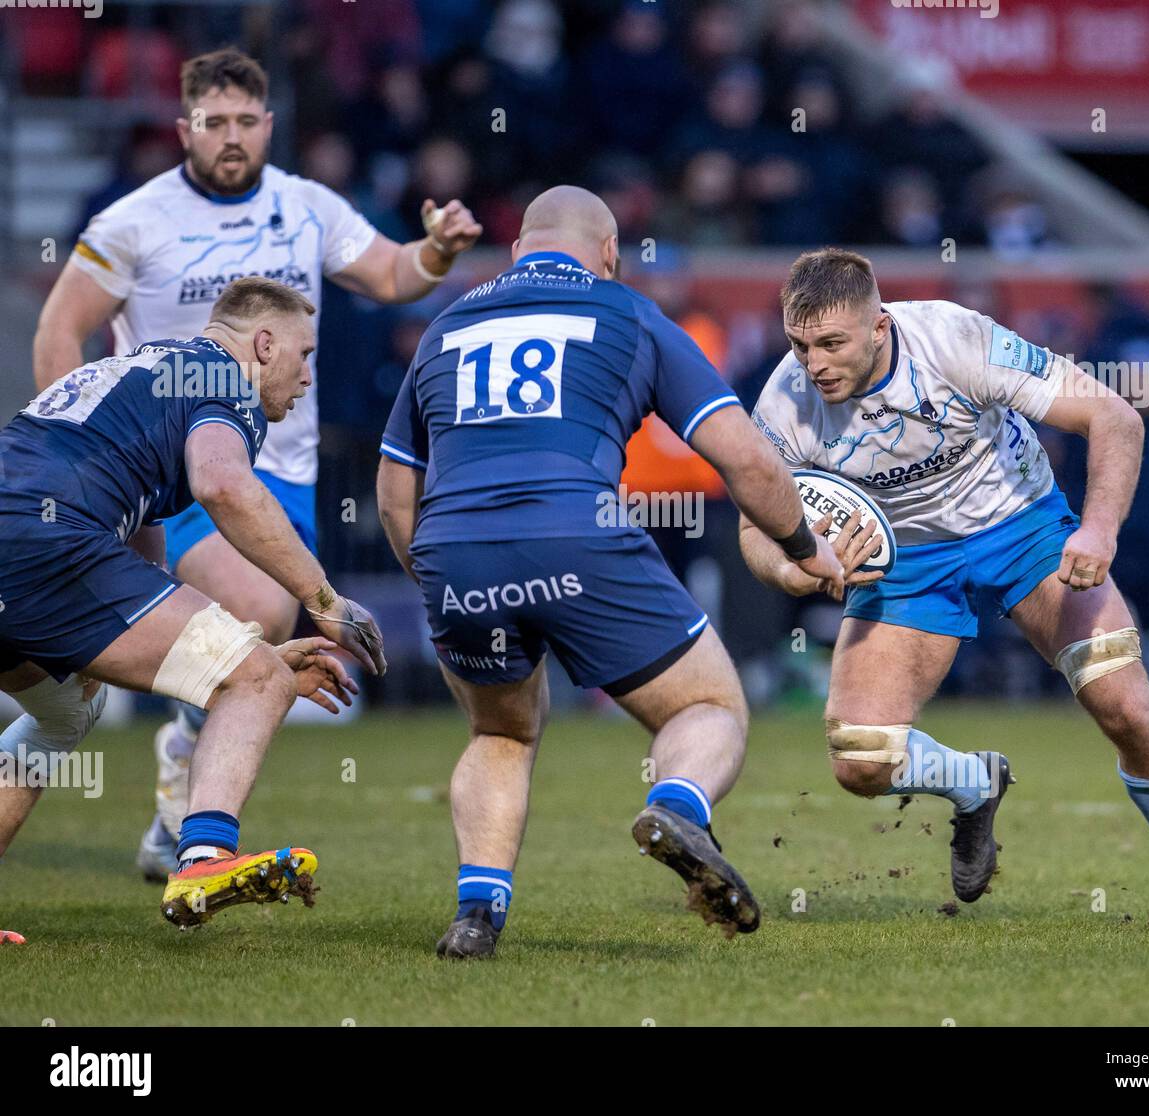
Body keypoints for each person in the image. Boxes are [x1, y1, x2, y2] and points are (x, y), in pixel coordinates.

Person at [30, 48, 480, 880]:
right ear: (184, 129)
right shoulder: (134, 220)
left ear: (269, 126)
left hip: (285, 470)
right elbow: (60, 331)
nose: (231, 137)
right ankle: (191, 822)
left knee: (150, 666)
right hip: (180, 472)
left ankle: (182, 776)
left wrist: (438, 250)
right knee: (259, 612)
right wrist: (88, 469)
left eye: (245, 122)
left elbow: (389, 272)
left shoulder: (305, 206)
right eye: (214, 123)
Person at [376, 186, 843, 957]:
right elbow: (747, 458)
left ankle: (477, 915)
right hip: (575, 532)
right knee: (709, 705)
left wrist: (439, 578)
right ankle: (676, 805)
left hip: (453, 547)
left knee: (500, 730)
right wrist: (803, 548)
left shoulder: (445, 325)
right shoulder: (629, 313)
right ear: (609, 255)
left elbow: (396, 499)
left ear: (520, 250)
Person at [742, 248, 1149, 927]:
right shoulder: (785, 401)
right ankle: (972, 784)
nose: (816, 364)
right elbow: (756, 527)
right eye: (801, 345)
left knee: (1126, 706)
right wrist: (794, 566)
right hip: (907, 561)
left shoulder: (956, 339)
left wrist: (1099, 532)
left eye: (832, 344)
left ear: (879, 327)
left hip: (1022, 530)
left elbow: (1115, 418)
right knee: (860, 758)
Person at [1, 277, 385, 937]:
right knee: (259, 680)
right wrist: (322, 600)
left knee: (67, 712)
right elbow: (224, 484)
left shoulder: (143, 368)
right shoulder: (223, 382)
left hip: (27, 538)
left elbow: (145, 553)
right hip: (49, 545)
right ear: (263, 344)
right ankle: (205, 857)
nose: (306, 376)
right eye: (304, 354)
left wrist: (234, 650)